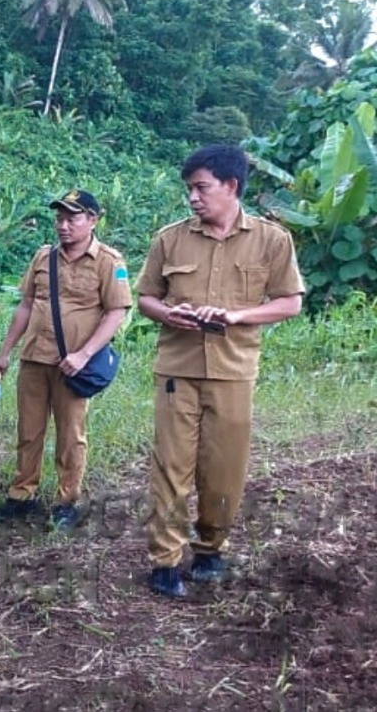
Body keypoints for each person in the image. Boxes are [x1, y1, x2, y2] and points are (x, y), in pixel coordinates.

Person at [136, 145, 303, 599]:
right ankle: (165, 561)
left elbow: (290, 301)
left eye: (201, 188)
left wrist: (236, 316)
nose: (192, 197)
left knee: (224, 469)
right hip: (177, 368)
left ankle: (211, 549)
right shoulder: (170, 239)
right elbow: (145, 297)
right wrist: (169, 315)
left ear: (231, 187)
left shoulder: (272, 240)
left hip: (234, 371)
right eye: (188, 188)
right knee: (171, 465)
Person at [0, 189, 132, 530]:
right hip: (35, 358)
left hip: (73, 365)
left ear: (92, 220)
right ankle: (22, 495)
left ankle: (66, 502)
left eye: (73, 218)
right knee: (29, 430)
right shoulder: (43, 258)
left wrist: (84, 354)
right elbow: (25, 305)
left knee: (70, 435)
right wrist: (5, 351)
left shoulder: (110, 263)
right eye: (60, 219)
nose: (64, 226)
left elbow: (116, 312)